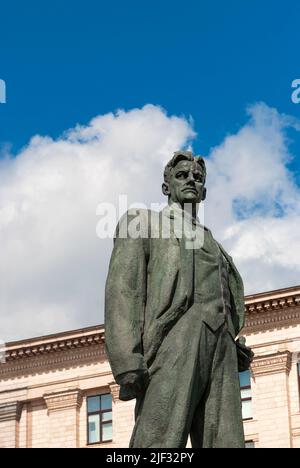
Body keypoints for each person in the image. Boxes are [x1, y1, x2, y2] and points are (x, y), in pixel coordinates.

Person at [105, 150, 253, 448]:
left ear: (204, 191)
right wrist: (127, 360)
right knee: (160, 436)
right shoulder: (143, 223)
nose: (190, 181)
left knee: (226, 439)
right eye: (182, 175)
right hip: (175, 338)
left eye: (197, 178)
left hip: (221, 345)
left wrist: (231, 343)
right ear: (166, 187)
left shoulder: (214, 243)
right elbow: (123, 290)